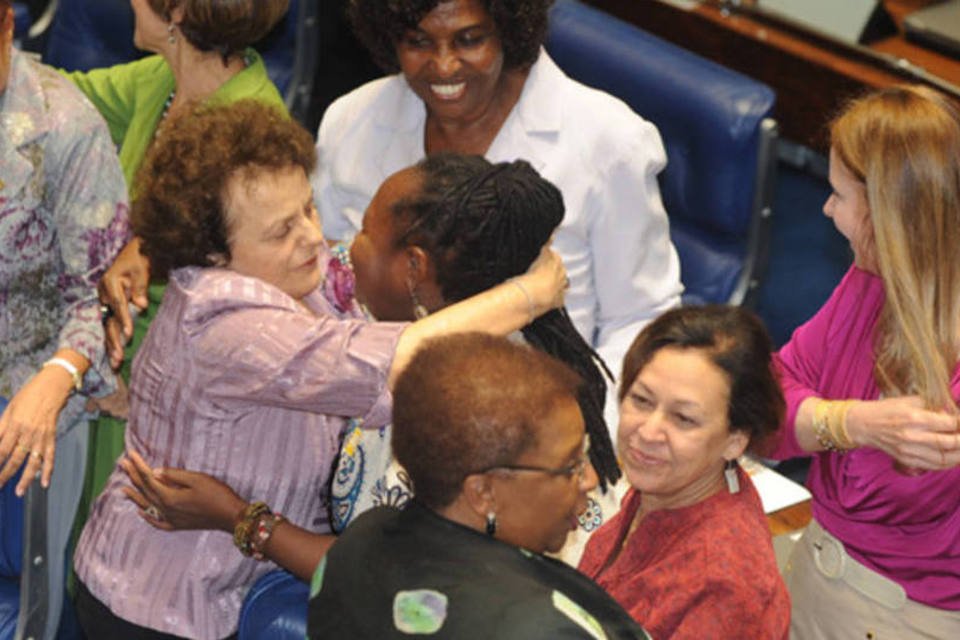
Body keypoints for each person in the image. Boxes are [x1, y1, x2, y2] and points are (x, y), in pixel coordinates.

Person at [73, 100, 565, 640]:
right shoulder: (228, 325)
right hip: (157, 606)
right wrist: (531, 293)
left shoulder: (290, 274)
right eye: (282, 230)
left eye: (308, 208)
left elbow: (361, 265)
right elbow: (402, 359)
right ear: (213, 254)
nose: (312, 237)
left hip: (224, 581)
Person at [314, 0, 683, 429]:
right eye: (418, 41)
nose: (445, 66)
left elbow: (640, 317)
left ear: (509, 28)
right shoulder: (352, 121)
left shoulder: (609, 142)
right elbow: (327, 282)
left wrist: (580, 436)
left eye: (470, 39)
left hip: (545, 427)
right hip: (375, 409)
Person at [68, 0, 290, 507]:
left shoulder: (253, 130)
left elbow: (245, 314)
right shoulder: (161, 82)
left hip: (177, 420)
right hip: (111, 380)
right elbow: (53, 99)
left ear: (180, 13)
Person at [769, 85, 960, 638]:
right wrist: (851, 422)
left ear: (889, 215)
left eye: (837, 194)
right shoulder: (868, 283)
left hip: (910, 616)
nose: (825, 209)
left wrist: (823, 424)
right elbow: (766, 401)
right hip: (818, 566)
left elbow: (886, 491)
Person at [311, 333, 649, 638]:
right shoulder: (538, 630)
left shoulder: (361, 539)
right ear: (483, 493)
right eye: (571, 465)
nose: (589, 479)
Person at [0, 0, 129, 635]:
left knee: (34, 614)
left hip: (35, 390)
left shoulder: (64, 125)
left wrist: (55, 376)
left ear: (6, 22)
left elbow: (98, 300)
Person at [578, 305, 791, 639]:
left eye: (684, 419)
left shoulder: (724, 583)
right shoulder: (668, 487)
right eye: (642, 400)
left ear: (735, 441)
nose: (648, 432)